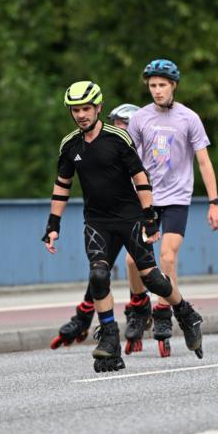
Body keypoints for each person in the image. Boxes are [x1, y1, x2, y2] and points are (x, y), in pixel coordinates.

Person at [42, 81, 204, 373]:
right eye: (75, 110)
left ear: (98, 108)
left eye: (86, 109)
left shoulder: (118, 138)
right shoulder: (70, 145)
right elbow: (62, 185)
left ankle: (185, 312)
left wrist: (149, 216)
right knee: (98, 275)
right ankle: (109, 340)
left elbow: (140, 176)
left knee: (153, 280)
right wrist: (53, 225)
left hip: (129, 219)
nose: (81, 115)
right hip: (96, 221)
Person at [124, 58, 218, 357]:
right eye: (152, 85)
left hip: (177, 199)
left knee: (167, 256)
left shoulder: (189, 118)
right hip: (147, 199)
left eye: (162, 85)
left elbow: (203, 162)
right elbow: (129, 160)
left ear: (173, 86)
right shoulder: (140, 118)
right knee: (132, 261)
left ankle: (163, 311)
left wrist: (214, 203)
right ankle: (139, 306)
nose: (157, 90)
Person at [48, 102, 141, 350]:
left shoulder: (137, 148)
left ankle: (142, 310)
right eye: (116, 123)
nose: (119, 128)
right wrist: (53, 223)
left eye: (125, 124)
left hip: (138, 213)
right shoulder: (107, 143)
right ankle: (85, 317)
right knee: (100, 269)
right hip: (107, 216)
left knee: (139, 263)